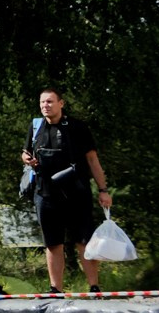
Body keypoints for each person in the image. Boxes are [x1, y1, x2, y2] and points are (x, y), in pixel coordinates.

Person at [20, 86, 114, 293]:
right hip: (45, 193)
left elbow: (92, 160)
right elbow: (25, 153)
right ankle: (56, 289)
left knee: (84, 241)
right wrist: (26, 158)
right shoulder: (35, 126)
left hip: (77, 192)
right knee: (53, 243)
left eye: (50, 101)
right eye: (42, 102)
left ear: (61, 103)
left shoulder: (77, 127)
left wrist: (103, 190)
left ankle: (94, 287)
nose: (46, 105)